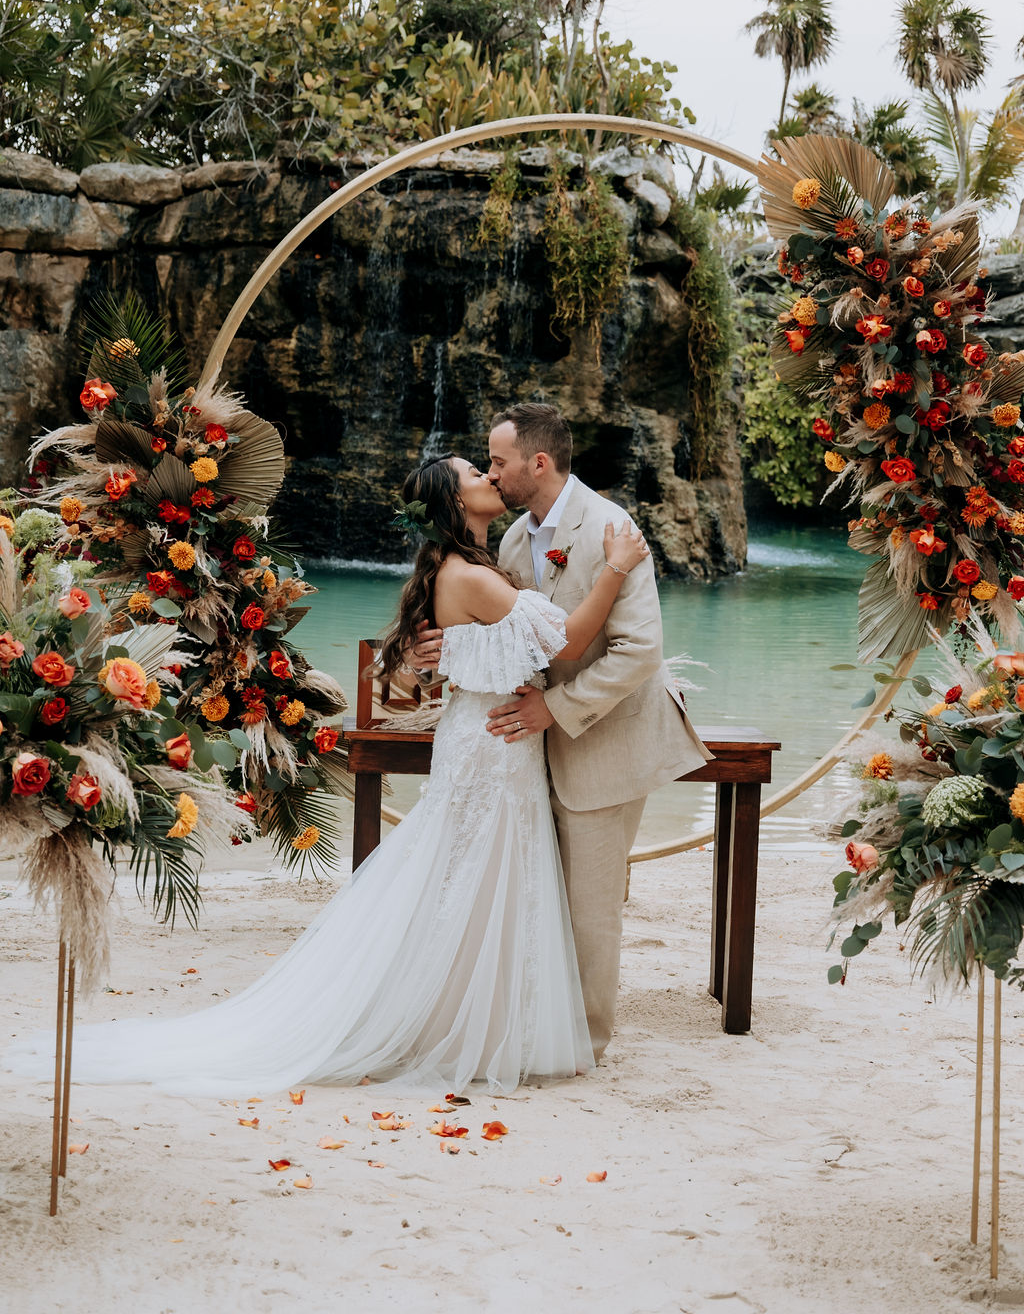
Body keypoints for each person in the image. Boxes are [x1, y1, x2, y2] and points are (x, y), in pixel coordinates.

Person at [5, 454, 649, 1098]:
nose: (489, 476)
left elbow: (472, 652)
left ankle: (482, 1018)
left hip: (492, 740)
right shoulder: (468, 576)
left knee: (477, 875)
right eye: (474, 474)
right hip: (493, 747)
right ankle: (458, 1024)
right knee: (475, 872)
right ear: (455, 504)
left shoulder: (477, 567)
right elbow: (562, 641)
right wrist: (617, 567)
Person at [410, 403, 712, 1062]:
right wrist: (446, 648)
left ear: (536, 463)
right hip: (520, 744)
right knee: (534, 896)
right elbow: (517, 638)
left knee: (589, 909)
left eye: (497, 462)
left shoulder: (613, 529)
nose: (492, 472)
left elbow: (638, 653)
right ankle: (532, 1028)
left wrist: (557, 709)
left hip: (602, 739)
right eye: (484, 465)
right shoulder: (513, 540)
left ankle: (587, 1044)